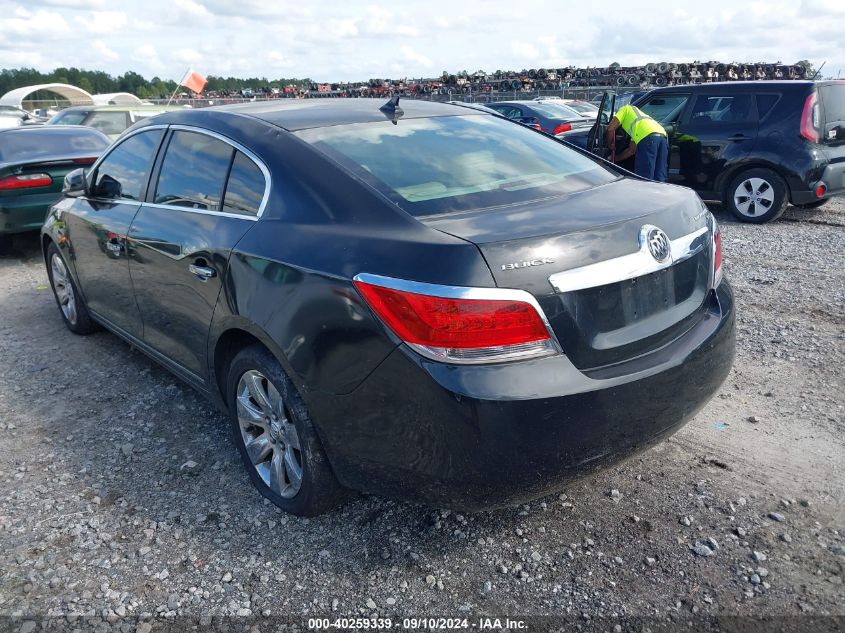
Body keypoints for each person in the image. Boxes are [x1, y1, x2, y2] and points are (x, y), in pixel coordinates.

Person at [606, 104, 668, 182]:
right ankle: (659, 192)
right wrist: (614, 159)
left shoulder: (625, 108)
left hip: (648, 138)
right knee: (659, 174)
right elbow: (630, 151)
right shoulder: (639, 125)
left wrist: (610, 145)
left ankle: (644, 193)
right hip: (663, 136)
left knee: (644, 177)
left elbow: (610, 129)